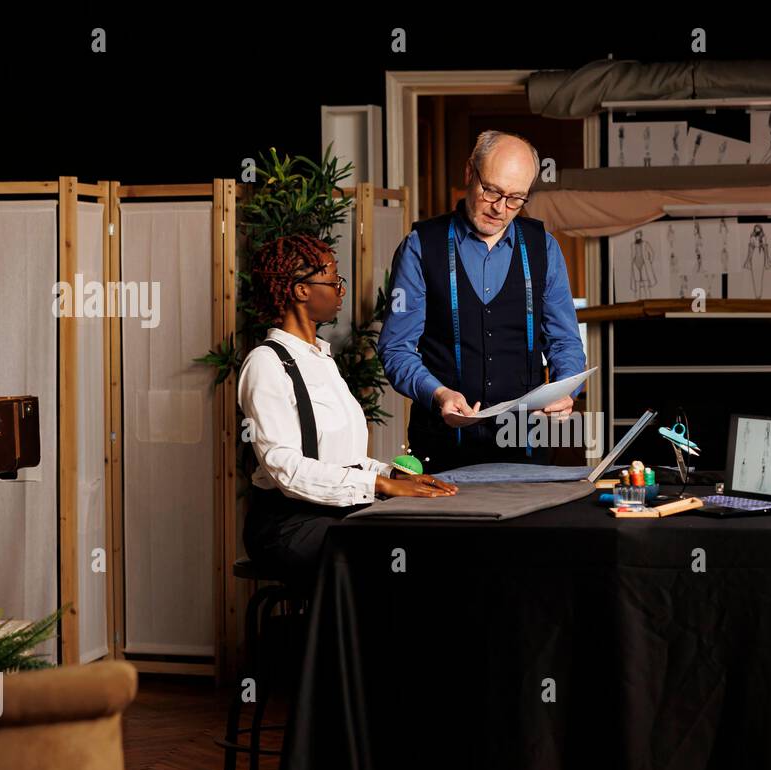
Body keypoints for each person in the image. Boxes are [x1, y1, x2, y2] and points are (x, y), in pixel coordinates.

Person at [238, 235, 455, 588]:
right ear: (300, 291)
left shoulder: (321, 359)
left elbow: (342, 459)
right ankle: (348, 644)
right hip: (287, 525)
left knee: (424, 539)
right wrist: (379, 484)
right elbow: (284, 468)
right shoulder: (265, 364)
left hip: (333, 514)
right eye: (333, 279)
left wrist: (393, 476)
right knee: (392, 557)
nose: (341, 290)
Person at [377, 130, 587, 474]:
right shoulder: (420, 246)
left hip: (524, 445)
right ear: (468, 174)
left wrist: (566, 390)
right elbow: (396, 348)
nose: (500, 208)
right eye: (491, 191)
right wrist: (439, 394)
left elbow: (565, 341)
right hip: (440, 447)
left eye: (516, 199)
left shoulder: (543, 248)